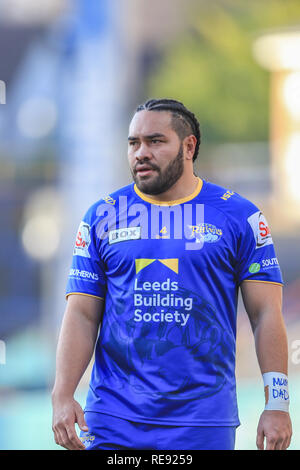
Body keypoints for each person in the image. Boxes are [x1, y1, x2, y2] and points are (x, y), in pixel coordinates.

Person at [51, 98, 292, 451]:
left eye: (155, 141)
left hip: (202, 421)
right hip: (113, 420)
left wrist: (278, 404)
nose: (141, 153)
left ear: (189, 146)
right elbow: (82, 315)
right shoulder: (101, 216)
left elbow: (266, 314)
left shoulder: (240, 217)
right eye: (133, 143)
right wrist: (62, 394)